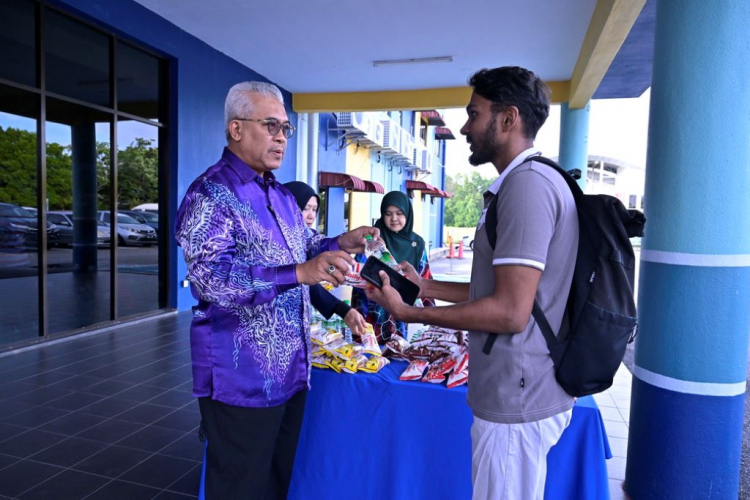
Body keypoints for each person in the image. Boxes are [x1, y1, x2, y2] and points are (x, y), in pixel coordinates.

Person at [366, 66, 579, 500]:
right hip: (511, 392)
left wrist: (408, 313)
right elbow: (499, 290)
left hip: (516, 398)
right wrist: (425, 289)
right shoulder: (519, 185)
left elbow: (509, 312)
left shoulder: (527, 188)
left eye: (473, 113)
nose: (464, 126)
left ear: (508, 119)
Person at [174, 81, 377, 500]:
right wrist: (299, 273)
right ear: (235, 129)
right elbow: (211, 278)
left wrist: (341, 242)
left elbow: (304, 250)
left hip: (291, 374)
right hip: (241, 378)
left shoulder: (281, 195)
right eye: (271, 125)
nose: (282, 136)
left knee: (275, 483)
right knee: (239, 487)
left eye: (286, 128)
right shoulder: (209, 194)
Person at [283, 180, 367, 336]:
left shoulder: (307, 236)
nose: (311, 215)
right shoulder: (274, 241)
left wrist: (341, 243)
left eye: (315, 209)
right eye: (305, 208)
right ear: (288, 208)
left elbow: (317, 248)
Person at [352, 190, 434, 342]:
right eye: (388, 214)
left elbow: (425, 276)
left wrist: (433, 317)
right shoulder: (372, 240)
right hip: (371, 311)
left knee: (395, 350)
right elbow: (357, 273)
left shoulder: (417, 244)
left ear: (408, 214)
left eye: (399, 213)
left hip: (400, 313)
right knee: (367, 359)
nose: (394, 218)